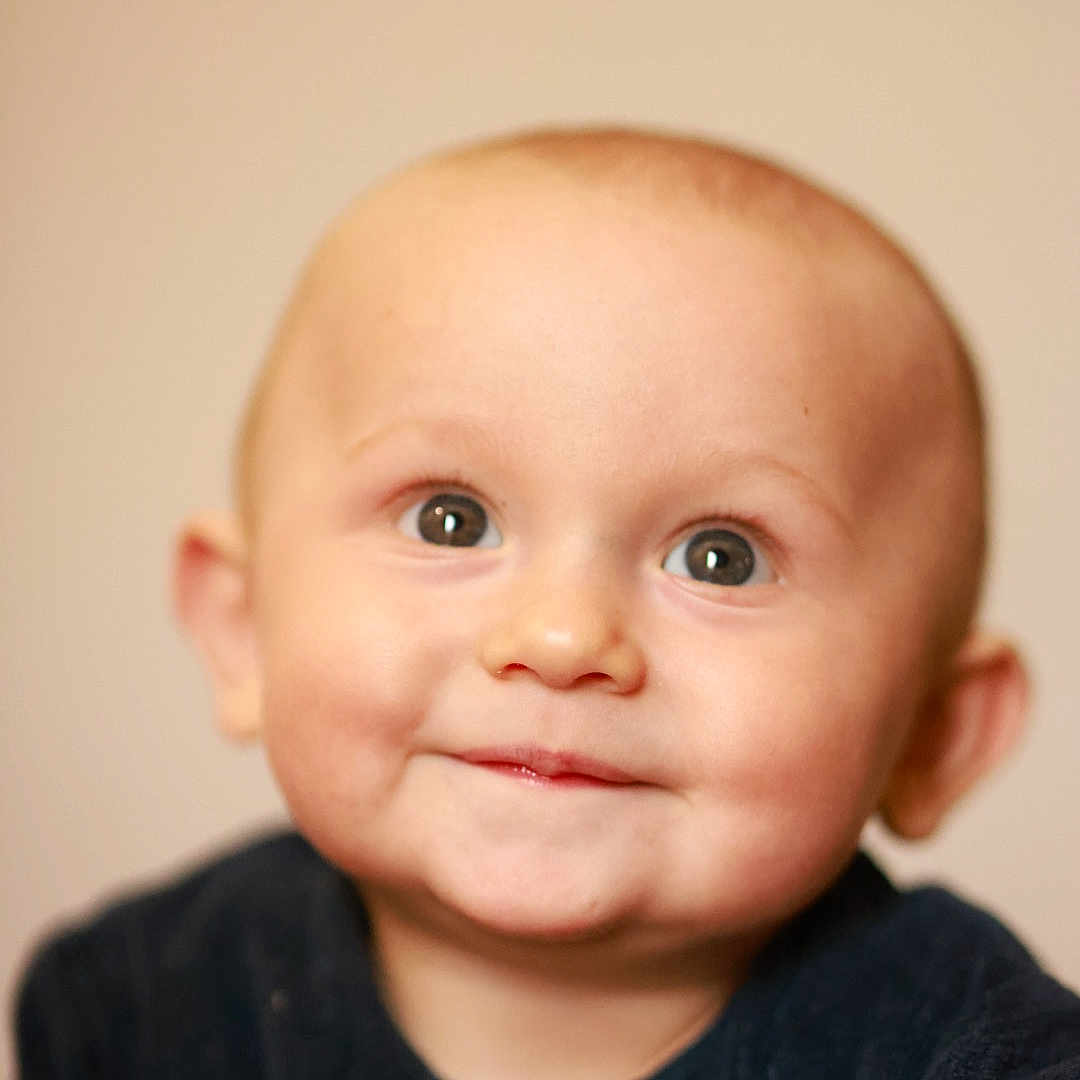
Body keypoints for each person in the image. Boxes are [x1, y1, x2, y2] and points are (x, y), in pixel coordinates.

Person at [15, 127, 1080, 1079]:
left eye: (721, 558)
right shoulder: (137, 1005)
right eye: (451, 521)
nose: (564, 637)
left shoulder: (978, 1055)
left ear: (935, 734)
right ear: (242, 631)